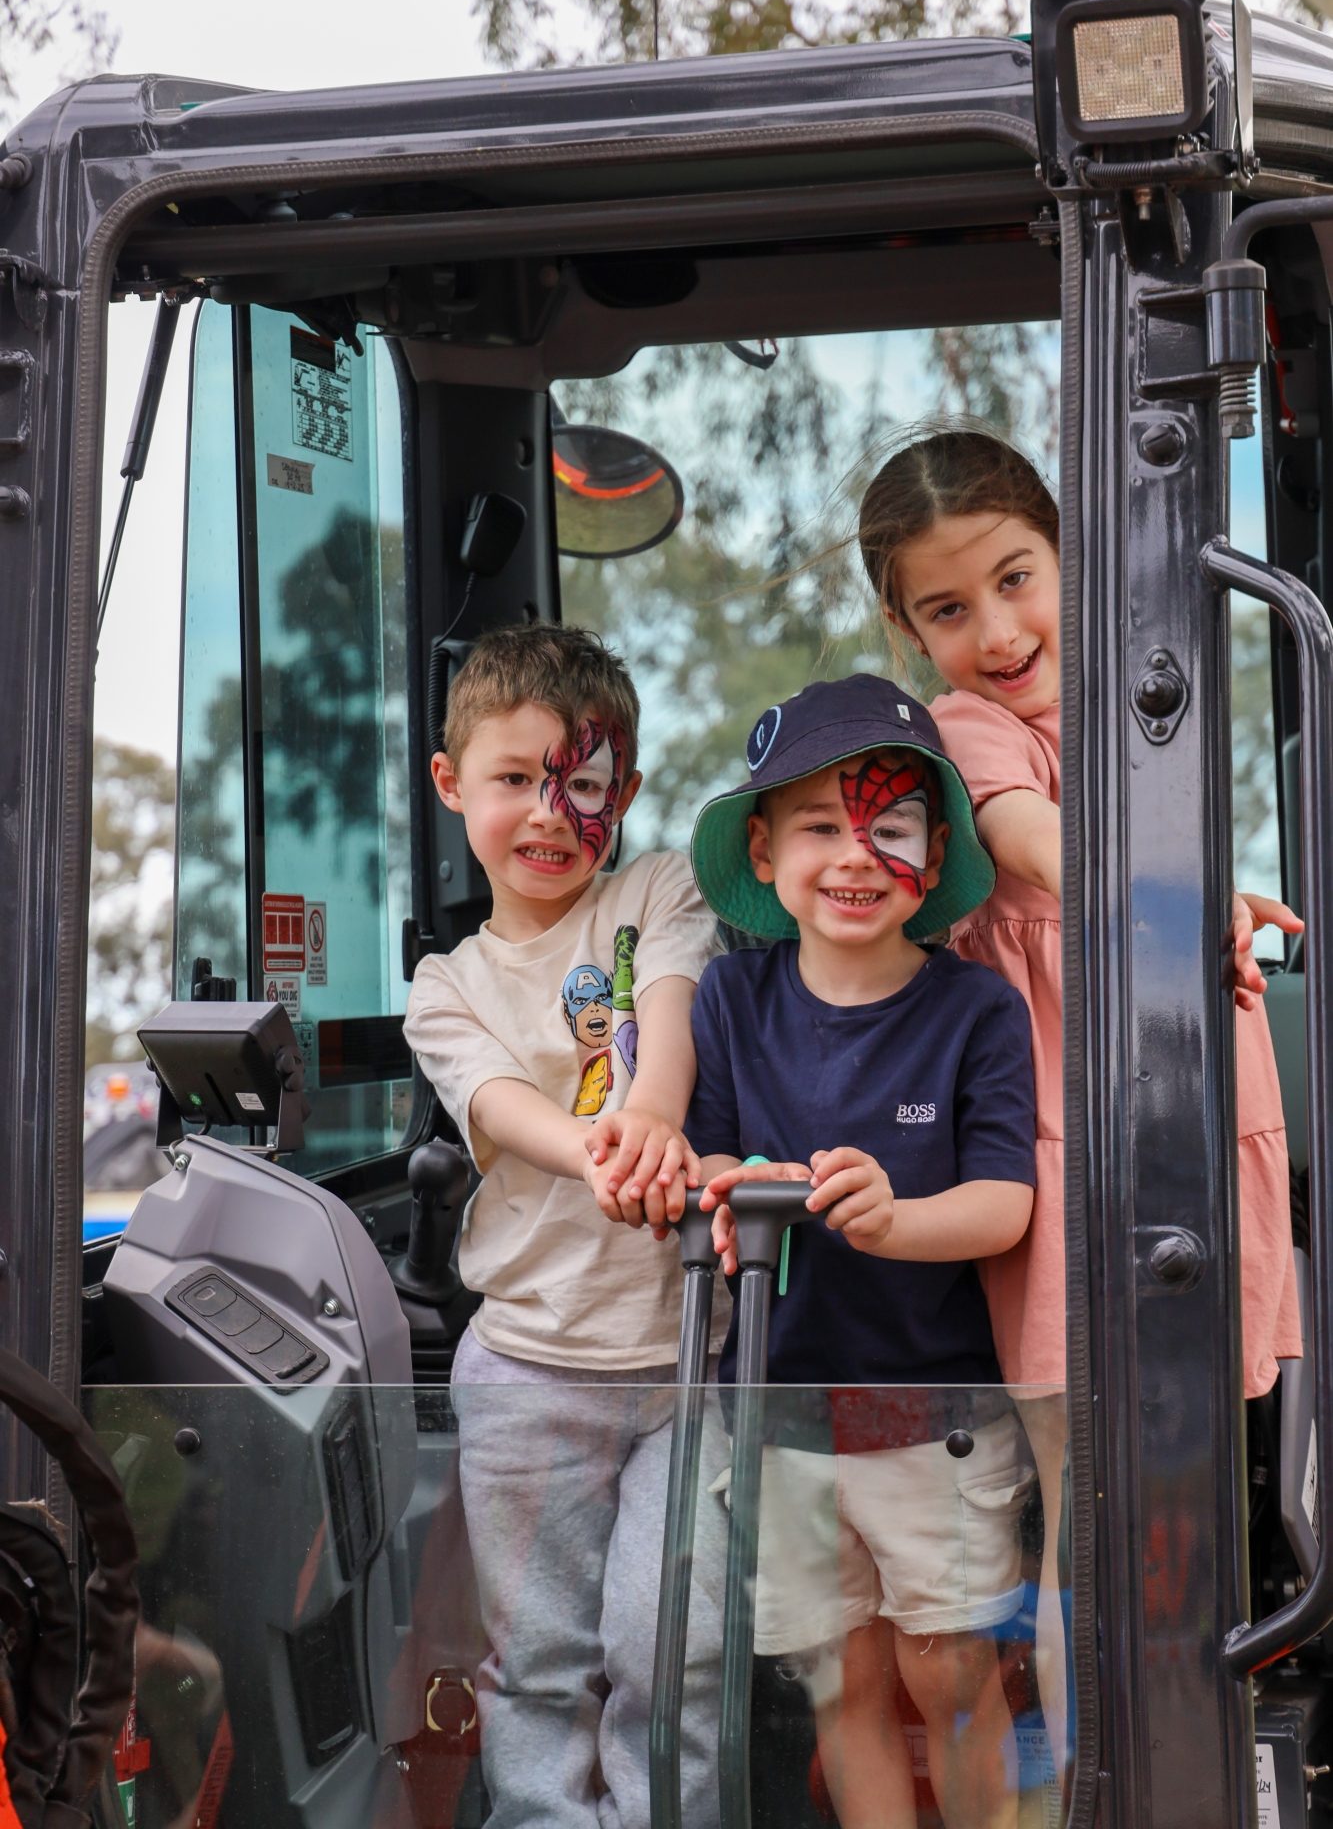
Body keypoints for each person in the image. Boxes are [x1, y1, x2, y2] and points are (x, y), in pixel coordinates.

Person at [856, 422, 1303, 1782]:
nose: (994, 629)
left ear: (1072, 557)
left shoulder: (1138, 699)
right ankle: (1120, 1785)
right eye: (947, 607)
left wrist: (1215, 907)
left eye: (1016, 577)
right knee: (1094, 1511)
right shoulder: (970, 729)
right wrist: (1176, 896)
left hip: (1193, 1126)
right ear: (905, 627)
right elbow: (1023, 840)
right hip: (1077, 1153)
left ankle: (1202, 1759)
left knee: (1198, 1505)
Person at [686, 674, 1039, 1829]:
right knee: (841, 1675)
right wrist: (730, 1190)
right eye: (821, 826)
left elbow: (1003, 1202)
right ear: (764, 847)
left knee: (945, 1665)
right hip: (780, 1411)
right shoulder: (730, 1000)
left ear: (933, 860)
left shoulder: (975, 1010)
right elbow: (705, 1176)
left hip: (933, 1409)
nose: (854, 855)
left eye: (889, 827)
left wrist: (894, 1218)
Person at [403, 621, 725, 1829]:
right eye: (514, 780)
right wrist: (612, 1148)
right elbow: (500, 1104)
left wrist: (651, 1108)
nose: (550, 812)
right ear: (450, 784)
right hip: (529, 1371)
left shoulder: (653, 892)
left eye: (581, 784)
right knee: (534, 1663)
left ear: (624, 792)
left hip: (684, 1368)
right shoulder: (447, 986)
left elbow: (672, 1002)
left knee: (672, 1651)